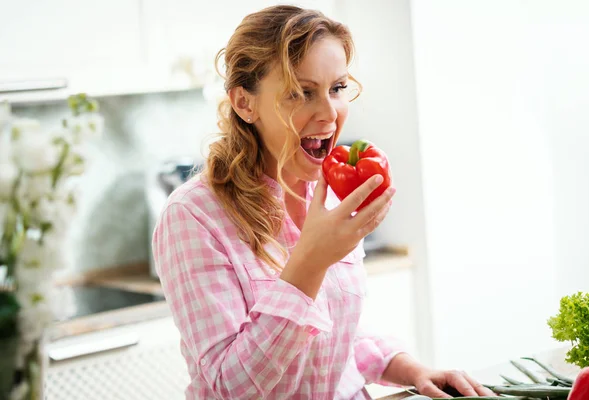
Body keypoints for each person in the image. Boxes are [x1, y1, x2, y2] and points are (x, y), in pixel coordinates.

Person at [152, 5, 496, 399]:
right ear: (244, 104)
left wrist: (413, 370)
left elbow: (333, 336)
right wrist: (310, 262)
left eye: (337, 89)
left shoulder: (332, 192)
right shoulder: (194, 217)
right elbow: (230, 387)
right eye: (301, 93)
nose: (330, 114)